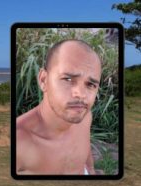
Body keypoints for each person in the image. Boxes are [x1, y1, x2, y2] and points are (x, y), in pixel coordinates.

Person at [16, 39, 102, 175]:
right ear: (43, 80)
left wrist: (90, 170)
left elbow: (84, 145)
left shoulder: (85, 116)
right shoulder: (19, 142)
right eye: (68, 79)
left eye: (90, 84)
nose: (81, 95)